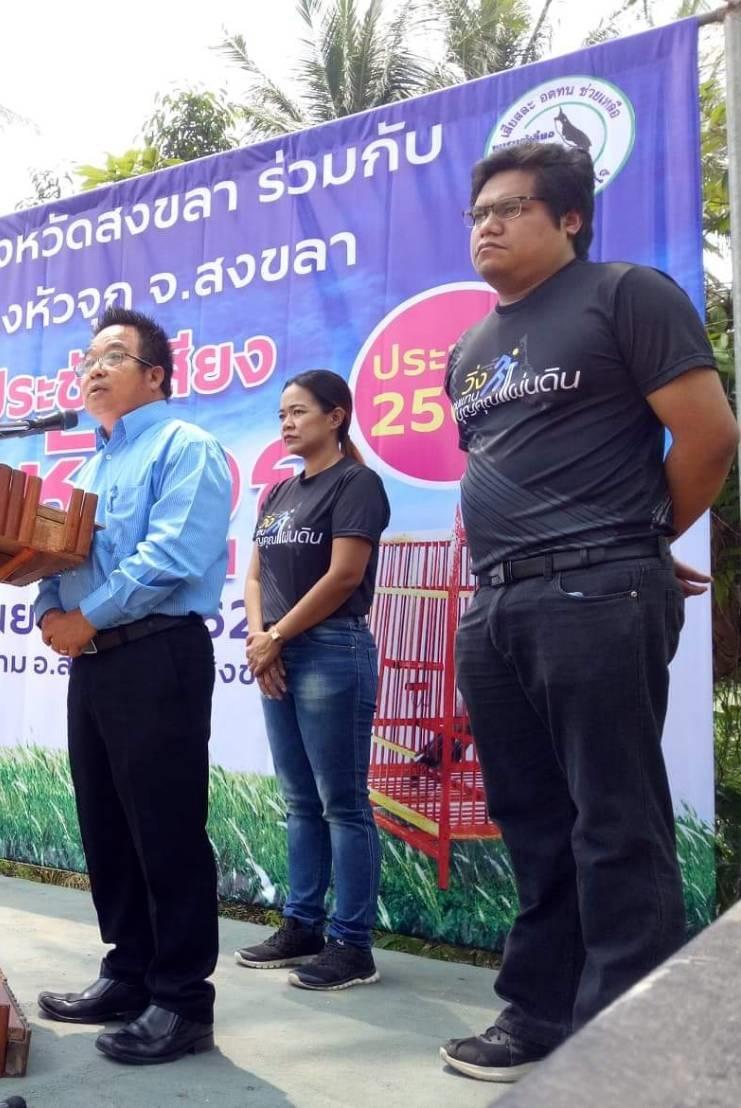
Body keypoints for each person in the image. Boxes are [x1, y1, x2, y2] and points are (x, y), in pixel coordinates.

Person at [440, 141, 740, 1083]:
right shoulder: (468, 351)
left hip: (594, 592)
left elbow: (708, 436)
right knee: (531, 819)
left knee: (614, 819)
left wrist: (632, 542)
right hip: (495, 603)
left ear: (568, 218)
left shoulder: (623, 295)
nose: (486, 225)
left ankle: (628, 1054)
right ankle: (539, 1015)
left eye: (509, 208)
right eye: (477, 213)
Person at [33, 306, 232, 1066]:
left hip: (157, 653)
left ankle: (181, 1000)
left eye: (111, 356)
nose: (92, 369)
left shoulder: (186, 447)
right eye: (87, 358)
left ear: (155, 376)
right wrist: (50, 611)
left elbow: (172, 556)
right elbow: (54, 558)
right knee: (107, 823)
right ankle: (129, 972)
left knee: (164, 826)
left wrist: (86, 616)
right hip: (94, 662)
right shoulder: (86, 470)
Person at [238, 370, 390, 990]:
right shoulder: (277, 493)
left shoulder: (356, 483)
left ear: (336, 416)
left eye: (299, 411)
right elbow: (255, 576)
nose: (287, 423)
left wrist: (277, 635)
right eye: (281, 414)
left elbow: (344, 576)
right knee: (300, 800)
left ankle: (352, 945)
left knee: (342, 803)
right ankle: (302, 925)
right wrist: (261, 640)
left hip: (330, 650)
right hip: (278, 653)